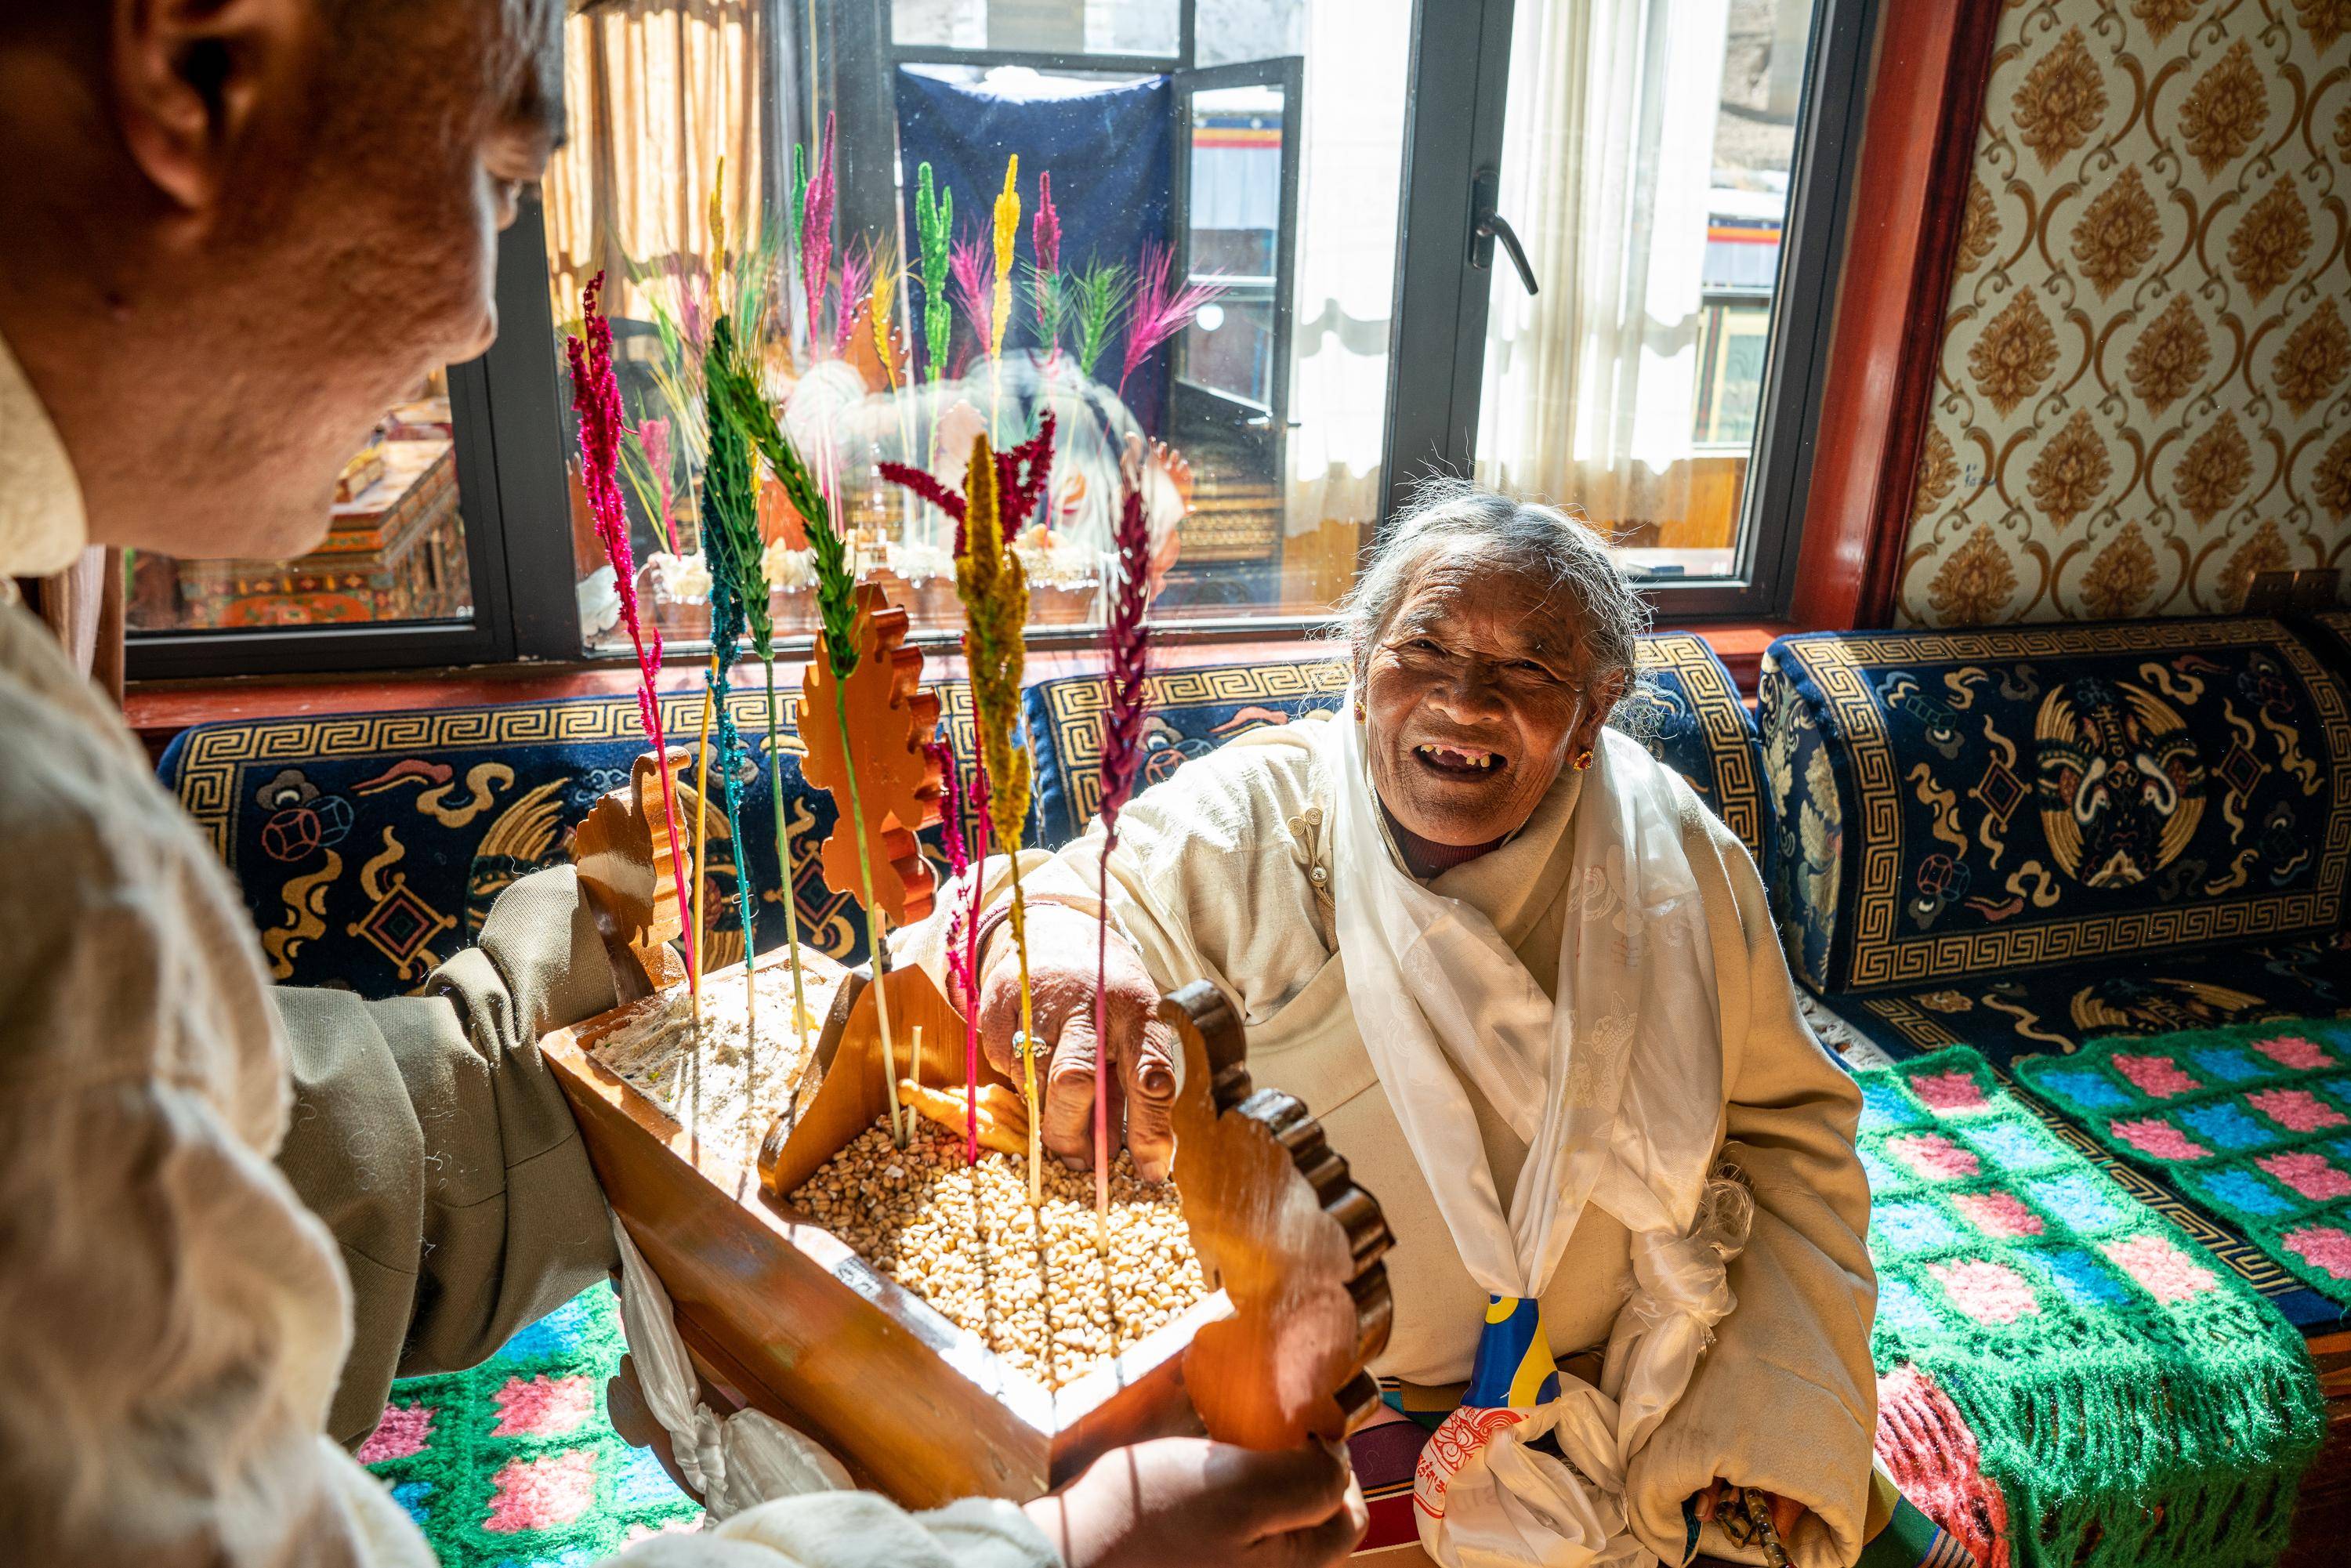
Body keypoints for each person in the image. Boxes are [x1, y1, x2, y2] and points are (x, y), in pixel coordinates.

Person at [0, 4, 1365, 1565]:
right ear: (200, 60)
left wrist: (582, 1025)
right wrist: (1031, 1554)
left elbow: (223, 1150)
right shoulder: (47, 856)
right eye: (502, 177)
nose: (471, 326)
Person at [907, 487, 1877, 1566]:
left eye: (1528, 669)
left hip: (1634, 1393)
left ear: (1593, 713)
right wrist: (1064, 970)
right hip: (1311, 1426)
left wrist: (1771, 1416)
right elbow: (1069, 901)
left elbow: (1792, 1140)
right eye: (1425, 646)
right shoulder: (1264, 819)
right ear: (1363, 662)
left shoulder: (1676, 865)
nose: (1463, 701)